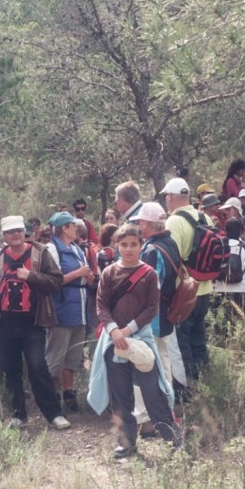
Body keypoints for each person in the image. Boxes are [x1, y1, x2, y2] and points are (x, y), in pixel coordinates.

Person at [89, 224, 178, 458]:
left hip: (141, 341)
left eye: (133, 244)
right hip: (114, 342)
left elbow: (151, 308)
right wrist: (114, 331)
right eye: (124, 244)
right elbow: (101, 305)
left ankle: (172, 439)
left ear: (141, 245)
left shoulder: (149, 273)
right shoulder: (109, 272)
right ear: (117, 245)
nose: (128, 249)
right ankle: (126, 442)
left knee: (153, 392)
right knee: (120, 395)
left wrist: (128, 330)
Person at [0, 215, 71, 430]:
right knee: (10, 369)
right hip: (4, 323)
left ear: (24, 231)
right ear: (4, 235)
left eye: (19, 230)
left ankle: (53, 414)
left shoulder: (40, 253)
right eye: (11, 231)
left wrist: (31, 276)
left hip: (33, 322)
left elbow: (57, 281)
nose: (15, 234)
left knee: (37, 366)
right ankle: (18, 415)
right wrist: (1, 281)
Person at [162, 178, 212, 384]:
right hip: (205, 288)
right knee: (199, 341)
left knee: (182, 344)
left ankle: (187, 390)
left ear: (171, 197)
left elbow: (171, 257)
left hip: (183, 293)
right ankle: (206, 384)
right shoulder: (205, 218)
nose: (166, 200)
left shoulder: (173, 221)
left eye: (167, 196)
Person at [45, 211, 94, 412]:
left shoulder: (76, 248)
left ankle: (69, 393)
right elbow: (53, 280)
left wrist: (88, 277)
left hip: (80, 309)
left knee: (73, 356)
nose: (77, 229)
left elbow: (82, 274)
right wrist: (78, 274)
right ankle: (51, 397)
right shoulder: (51, 249)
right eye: (73, 226)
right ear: (65, 228)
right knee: (56, 356)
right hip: (62, 309)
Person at [136, 202, 184, 398]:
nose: (139, 226)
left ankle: (161, 404)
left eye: (140, 222)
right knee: (163, 357)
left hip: (154, 315)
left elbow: (150, 287)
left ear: (146, 224)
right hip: (165, 311)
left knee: (154, 359)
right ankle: (167, 403)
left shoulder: (152, 250)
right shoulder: (170, 243)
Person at [213, 217, 245, 319]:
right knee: (239, 324)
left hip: (219, 289)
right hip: (241, 290)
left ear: (225, 230)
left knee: (220, 326)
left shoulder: (219, 245)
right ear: (241, 231)